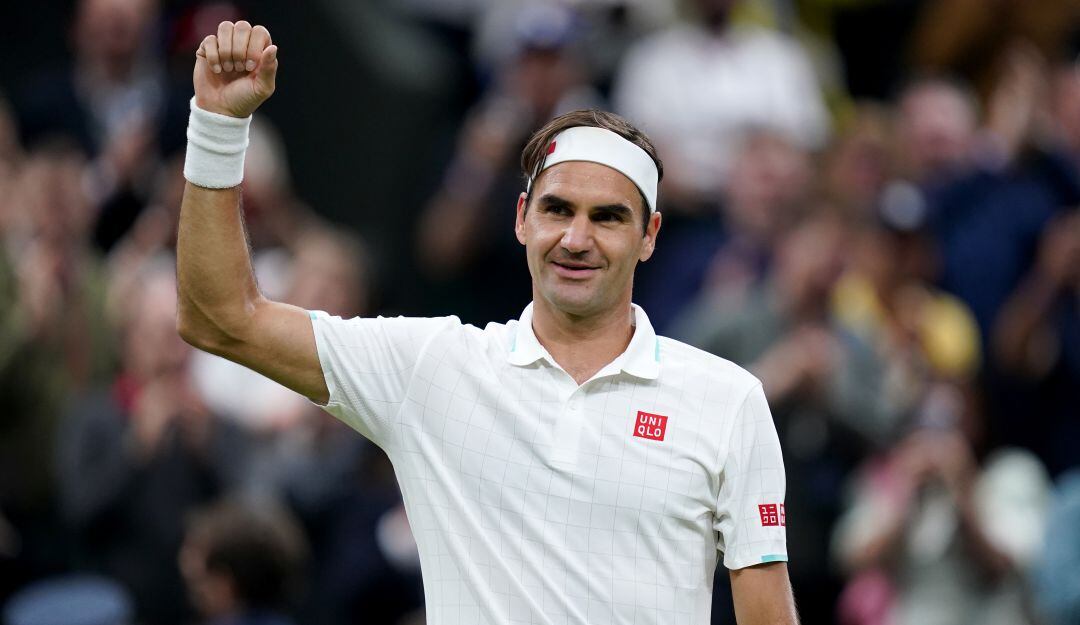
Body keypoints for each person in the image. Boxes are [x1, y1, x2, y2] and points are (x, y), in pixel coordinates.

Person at [176, 20, 798, 625]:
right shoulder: (435, 367)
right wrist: (218, 126)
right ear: (523, 218)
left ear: (649, 236)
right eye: (558, 210)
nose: (577, 239)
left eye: (608, 217)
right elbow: (220, 319)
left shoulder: (728, 401)